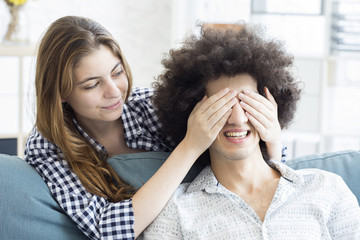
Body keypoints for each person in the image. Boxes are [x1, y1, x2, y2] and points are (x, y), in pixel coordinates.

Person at [24, 16, 285, 239]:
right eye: (92, 85)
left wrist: (272, 140)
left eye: (117, 73)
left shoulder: (149, 106)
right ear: (60, 93)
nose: (114, 92)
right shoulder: (47, 145)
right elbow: (109, 230)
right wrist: (190, 147)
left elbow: (248, 168)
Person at [142, 24, 360, 239]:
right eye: (222, 106)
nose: (238, 118)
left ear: (270, 105)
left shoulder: (326, 188)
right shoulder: (176, 213)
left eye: (247, 102)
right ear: (193, 115)